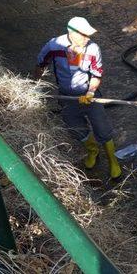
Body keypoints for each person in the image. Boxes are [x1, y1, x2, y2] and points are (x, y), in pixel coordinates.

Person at [34, 17, 121, 179]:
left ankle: (112, 160)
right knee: (75, 127)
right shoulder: (54, 46)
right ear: (71, 33)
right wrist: (34, 86)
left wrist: (90, 92)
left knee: (102, 127)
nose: (88, 39)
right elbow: (40, 65)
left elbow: (96, 74)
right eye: (84, 35)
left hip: (89, 96)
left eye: (89, 35)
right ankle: (93, 150)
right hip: (66, 96)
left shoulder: (93, 49)